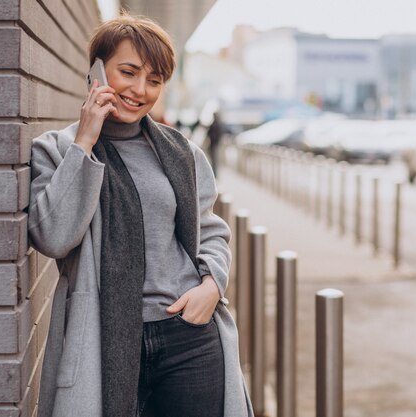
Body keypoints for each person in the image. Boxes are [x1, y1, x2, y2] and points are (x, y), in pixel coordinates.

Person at [29, 13, 253, 417]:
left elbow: (211, 231)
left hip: (188, 337)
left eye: (154, 80)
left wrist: (211, 286)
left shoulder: (181, 152)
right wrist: (85, 141)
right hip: (104, 338)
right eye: (128, 72)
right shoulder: (59, 151)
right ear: (97, 71)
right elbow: (53, 237)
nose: (139, 90)